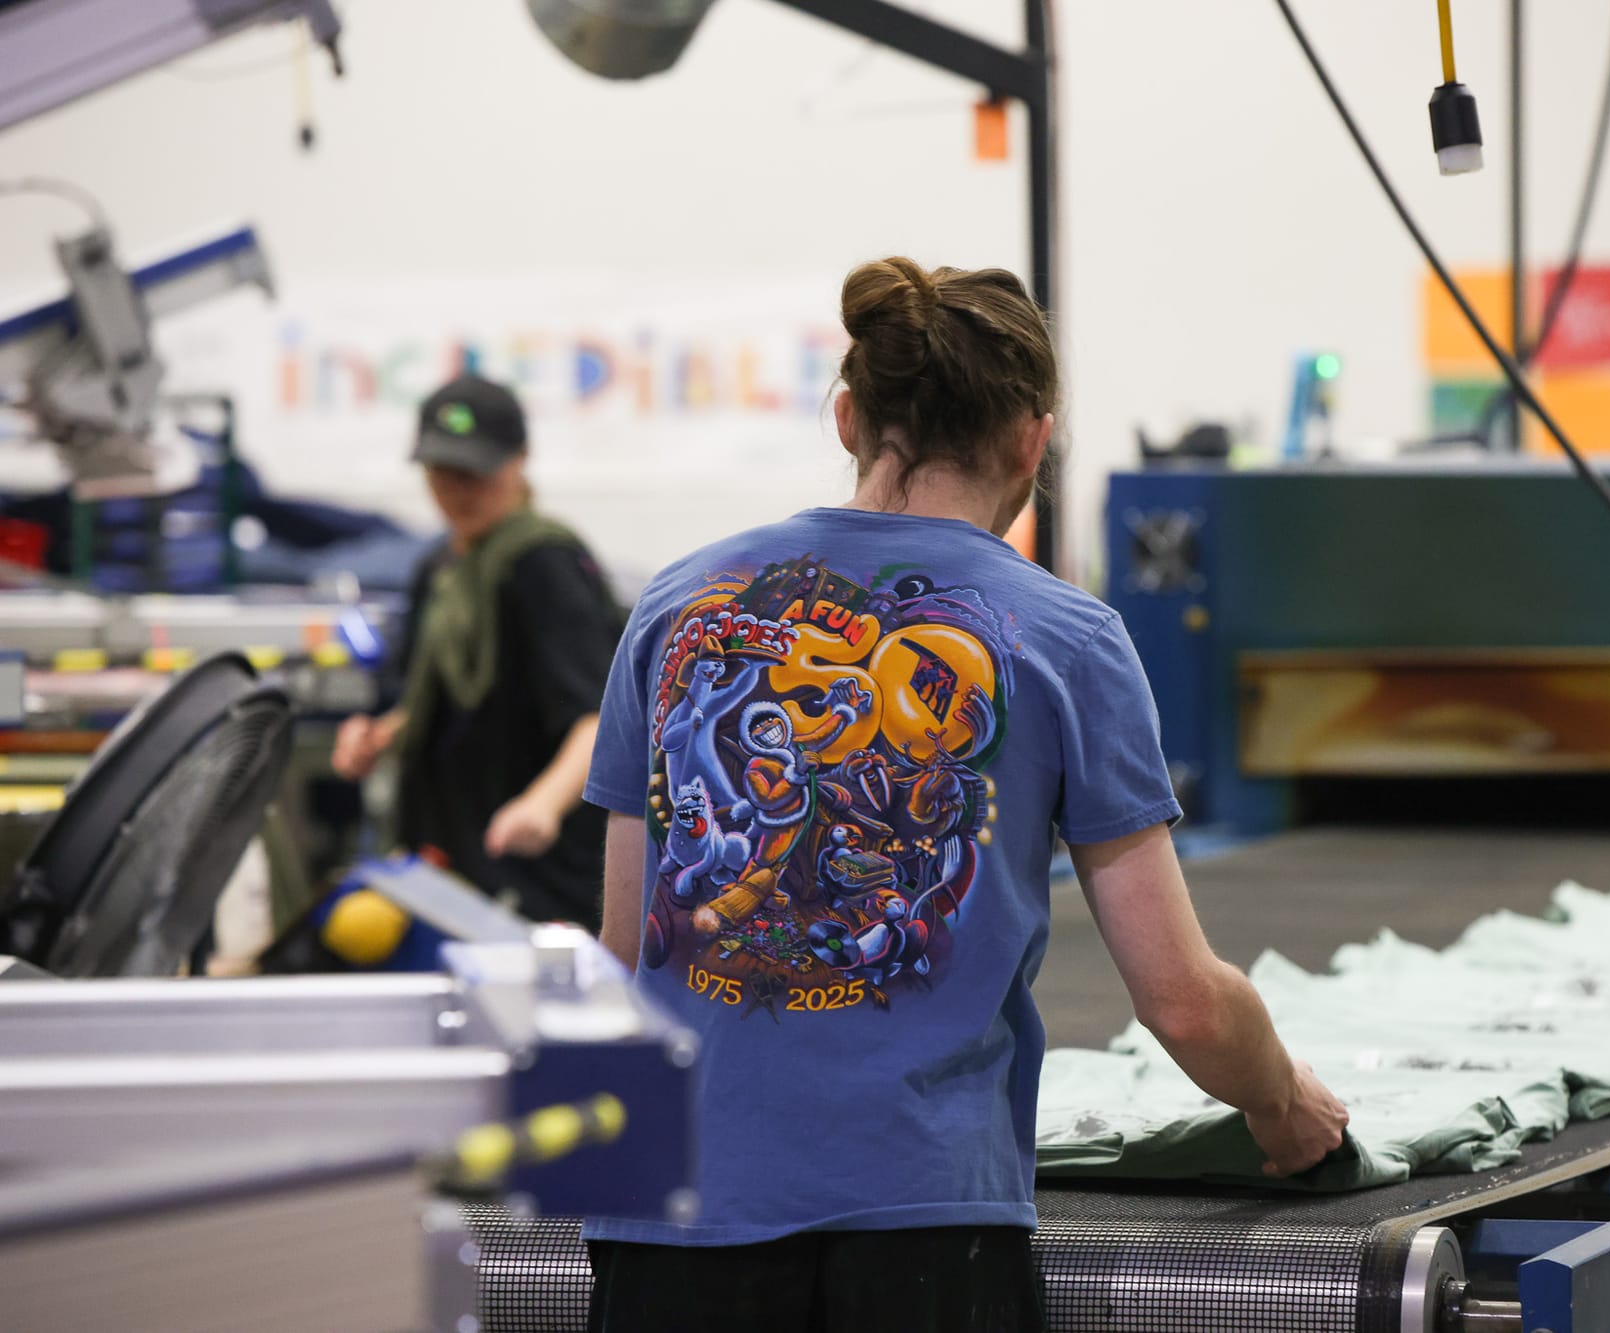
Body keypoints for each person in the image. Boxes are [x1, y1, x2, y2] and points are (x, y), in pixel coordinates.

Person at [583, 259, 1349, 1332]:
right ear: (1033, 441)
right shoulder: (1070, 639)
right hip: (922, 1227)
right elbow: (1180, 999)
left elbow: (623, 955)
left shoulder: (675, 606)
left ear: (848, 419)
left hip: (673, 1213)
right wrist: (1283, 1105)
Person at [333, 373, 621, 929]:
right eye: (442, 472)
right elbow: (432, 706)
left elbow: (597, 717)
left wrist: (542, 806)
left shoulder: (544, 564)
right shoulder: (440, 569)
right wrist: (377, 737)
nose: (458, 490)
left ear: (519, 460)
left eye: (475, 473)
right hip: (452, 860)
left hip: (534, 870)